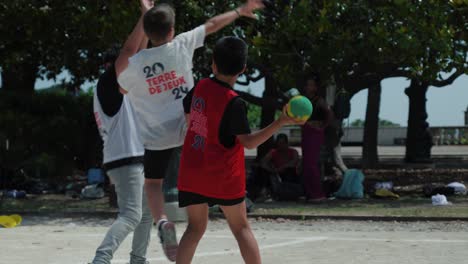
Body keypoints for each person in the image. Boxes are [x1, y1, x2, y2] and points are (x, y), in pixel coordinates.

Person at [115, 0, 264, 261]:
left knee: (153, 183)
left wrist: (144, 17)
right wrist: (240, 11)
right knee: (234, 221)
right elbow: (212, 24)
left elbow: (124, 78)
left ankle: (161, 220)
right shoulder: (181, 45)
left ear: (147, 32)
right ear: (172, 30)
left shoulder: (135, 65)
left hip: (156, 136)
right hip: (189, 131)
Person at [176, 36, 304, 264]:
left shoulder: (201, 86)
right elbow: (248, 142)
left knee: (194, 229)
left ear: (213, 63)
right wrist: (280, 122)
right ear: (243, 69)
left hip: (193, 169)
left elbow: (190, 116)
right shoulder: (233, 102)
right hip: (223, 175)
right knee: (241, 227)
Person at [90, 2, 153, 263]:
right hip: (125, 159)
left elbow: (138, 56)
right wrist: (146, 16)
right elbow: (129, 51)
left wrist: (147, 30)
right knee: (131, 215)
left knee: (146, 213)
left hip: (132, 157)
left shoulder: (120, 88)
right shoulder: (108, 83)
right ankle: (101, 259)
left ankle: (138, 259)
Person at [301, 74, 333, 201]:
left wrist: (322, 127)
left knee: (312, 164)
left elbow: (330, 114)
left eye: (312, 85)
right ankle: (310, 193)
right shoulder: (303, 100)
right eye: (308, 85)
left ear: (315, 87)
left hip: (315, 132)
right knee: (306, 163)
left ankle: (318, 194)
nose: (309, 87)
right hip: (306, 130)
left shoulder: (319, 100)